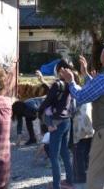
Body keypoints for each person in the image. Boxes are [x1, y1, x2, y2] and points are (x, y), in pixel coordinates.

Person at [60, 39, 104, 189]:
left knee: (96, 179)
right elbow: (100, 89)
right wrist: (85, 74)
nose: (102, 51)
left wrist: (71, 81)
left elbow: (81, 96)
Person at [39, 59, 74, 189]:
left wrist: (40, 111)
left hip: (56, 122)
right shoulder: (71, 83)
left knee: (54, 156)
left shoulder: (57, 84)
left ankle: (56, 186)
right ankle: (70, 180)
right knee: (65, 152)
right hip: (67, 120)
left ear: (60, 70)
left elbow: (47, 101)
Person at [71, 56, 94, 186]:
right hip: (90, 126)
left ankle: (79, 177)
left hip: (79, 127)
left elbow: (72, 109)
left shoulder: (75, 91)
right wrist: (85, 72)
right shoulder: (85, 88)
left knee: (78, 152)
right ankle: (87, 173)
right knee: (87, 151)